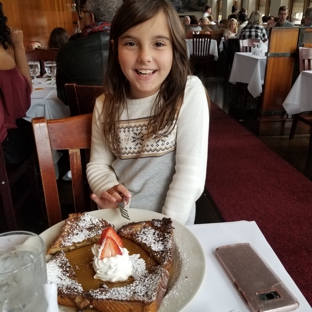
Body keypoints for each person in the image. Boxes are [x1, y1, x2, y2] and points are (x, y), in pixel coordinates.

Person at [86, 0, 209, 225]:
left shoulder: (188, 93)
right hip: (122, 222)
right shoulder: (104, 105)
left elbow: (190, 176)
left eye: (159, 43)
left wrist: (163, 230)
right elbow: (98, 164)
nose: (144, 56)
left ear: (175, 48)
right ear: (115, 48)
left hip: (172, 226)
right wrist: (107, 188)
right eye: (131, 43)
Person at [56, 0, 123, 105]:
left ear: (91, 18)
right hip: (123, 119)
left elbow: (63, 97)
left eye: (82, 15)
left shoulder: (66, 50)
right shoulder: (131, 48)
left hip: (79, 120)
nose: (81, 19)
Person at [0, 2, 34, 164]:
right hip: (3, 149)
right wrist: (19, 46)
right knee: (40, 133)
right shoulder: (1, 56)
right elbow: (22, 105)